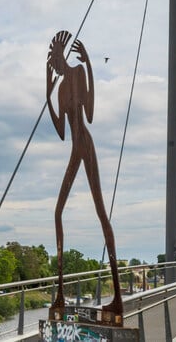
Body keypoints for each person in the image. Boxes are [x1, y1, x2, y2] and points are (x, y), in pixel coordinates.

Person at [46, 31, 123, 325]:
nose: (54, 66)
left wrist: (89, 64)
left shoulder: (77, 73)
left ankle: (116, 295)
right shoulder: (62, 88)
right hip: (74, 148)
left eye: (54, 60)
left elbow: (88, 114)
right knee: (57, 213)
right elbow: (61, 130)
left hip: (86, 146)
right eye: (52, 62)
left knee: (101, 212)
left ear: (61, 57)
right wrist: (47, 95)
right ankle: (61, 295)